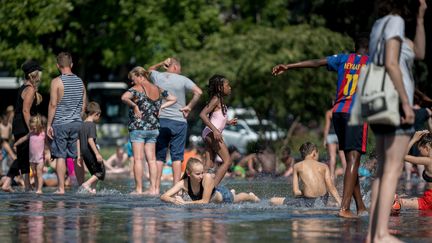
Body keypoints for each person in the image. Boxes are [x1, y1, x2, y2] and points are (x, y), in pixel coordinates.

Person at [272, 35, 369, 218]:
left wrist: (289, 66)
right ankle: (345, 208)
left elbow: (316, 63)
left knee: (351, 162)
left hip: (338, 111)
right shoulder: (372, 62)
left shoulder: (343, 58)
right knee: (354, 160)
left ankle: (361, 206)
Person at [366, 1, 426, 242]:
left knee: (383, 169)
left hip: (376, 98)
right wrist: (405, 101)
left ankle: (373, 233)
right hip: (393, 99)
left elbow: (419, 53)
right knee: (393, 168)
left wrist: (421, 19)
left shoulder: (379, 26)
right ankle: (381, 233)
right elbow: (391, 63)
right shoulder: (396, 22)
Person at [121, 66, 177, 195]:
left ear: (140, 76)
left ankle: (139, 189)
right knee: (152, 160)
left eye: (132, 79)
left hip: (138, 128)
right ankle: (153, 190)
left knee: (138, 159)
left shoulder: (136, 89)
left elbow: (124, 97)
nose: (131, 82)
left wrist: (134, 106)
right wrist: (161, 107)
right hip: (153, 128)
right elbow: (173, 98)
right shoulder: (158, 89)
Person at [148, 57, 203, 187]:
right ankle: (176, 189)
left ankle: (155, 188)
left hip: (161, 121)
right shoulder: (183, 79)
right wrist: (189, 106)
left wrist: (161, 63)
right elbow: (198, 92)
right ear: (175, 67)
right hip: (179, 121)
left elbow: (149, 70)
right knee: (177, 157)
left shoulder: (157, 76)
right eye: (180, 68)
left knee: (159, 156)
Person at [47, 52, 86, 194]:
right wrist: (77, 118)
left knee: (60, 156)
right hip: (77, 123)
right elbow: (83, 105)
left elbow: (52, 105)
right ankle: (82, 187)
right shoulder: (80, 81)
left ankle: (61, 188)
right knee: (77, 157)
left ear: (58, 66)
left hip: (60, 124)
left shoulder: (56, 82)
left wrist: (48, 125)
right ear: (72, 64)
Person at [2, 60, 43, 192]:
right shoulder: (30, 89)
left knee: (23, 156)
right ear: (35, 74)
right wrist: (31, 128)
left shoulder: (24, 87)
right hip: (23, 125)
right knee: (21, 156)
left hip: (18, 124)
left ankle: (26, 184)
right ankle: (8, 182)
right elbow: (26, 111)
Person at [160, 158, 260, 205]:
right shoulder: (183, 183)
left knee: (236, 198)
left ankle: (252, 196)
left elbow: (205, 201)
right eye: (198, 174)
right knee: (234, 195)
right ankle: (233, 191)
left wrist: (184, 203)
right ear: (189, 173)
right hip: (214, 196)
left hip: (223, 196)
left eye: (202, 173)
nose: (201, 176)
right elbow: (163, 196)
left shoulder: (206, 177)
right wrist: (174, 200)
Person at [270, 142, 342, 207]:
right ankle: (332, 204)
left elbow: (295, 192)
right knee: (324, 197)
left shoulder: (297, 166)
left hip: (308, 202)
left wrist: (306, 190)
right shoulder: (324, 166)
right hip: (322, 200)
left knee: (273, 200)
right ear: (314, 153)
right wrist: (340, 202)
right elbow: (331, 187)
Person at [199, 74, 237, 186]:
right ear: (220, 88)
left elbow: (217, 118)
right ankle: (212, 188)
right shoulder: (216, 99)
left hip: (209, 133)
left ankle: (197, 187)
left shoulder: (220, 100)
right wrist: (215, 130)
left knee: (208, 165)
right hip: (211, 133)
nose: (230, 87)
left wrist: (228, 122)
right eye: (227, 85)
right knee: (227, 161)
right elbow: (202, 114)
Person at [392, 131, 432, 212]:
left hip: (429, 201)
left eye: (419, 149)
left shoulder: (428, 161)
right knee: (403, 196)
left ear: (426, 148)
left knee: (395, 201)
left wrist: (413, 139)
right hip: (428, 197)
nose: (419, 152)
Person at [13, 115, 46, 193]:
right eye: (31, 128)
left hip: (40, 158)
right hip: (32, 159)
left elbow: (48, 143)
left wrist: (52, 151)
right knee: (34, 174)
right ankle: (37, 187)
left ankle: (40, 189)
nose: (32, 130)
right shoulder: (30, 134)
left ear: (39, 126)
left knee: (39, 173)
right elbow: (23, 139)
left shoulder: (43, 134)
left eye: (34, 128)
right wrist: (16, 144)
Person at [76, 102, 105, 193]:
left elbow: (78, 140)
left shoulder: (82, 125)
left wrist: (79, 156)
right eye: (99, 115)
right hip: (90, 151)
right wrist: (97, 154)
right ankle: (87, 184)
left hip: (84, 152)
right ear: (97, 114)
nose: (99, 118)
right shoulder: (92, 125)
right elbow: (90, 140)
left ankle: (93, 190)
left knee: (94, 171)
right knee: (101, 172)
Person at [323, 109, 347, 181]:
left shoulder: (329, 112)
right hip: (340, 134)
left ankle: (332, 178)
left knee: (332, 157)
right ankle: (347, 176)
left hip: (330, 135)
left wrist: (324, 139)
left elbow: (327, 126)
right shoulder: (342, 111)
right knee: (343, 157)